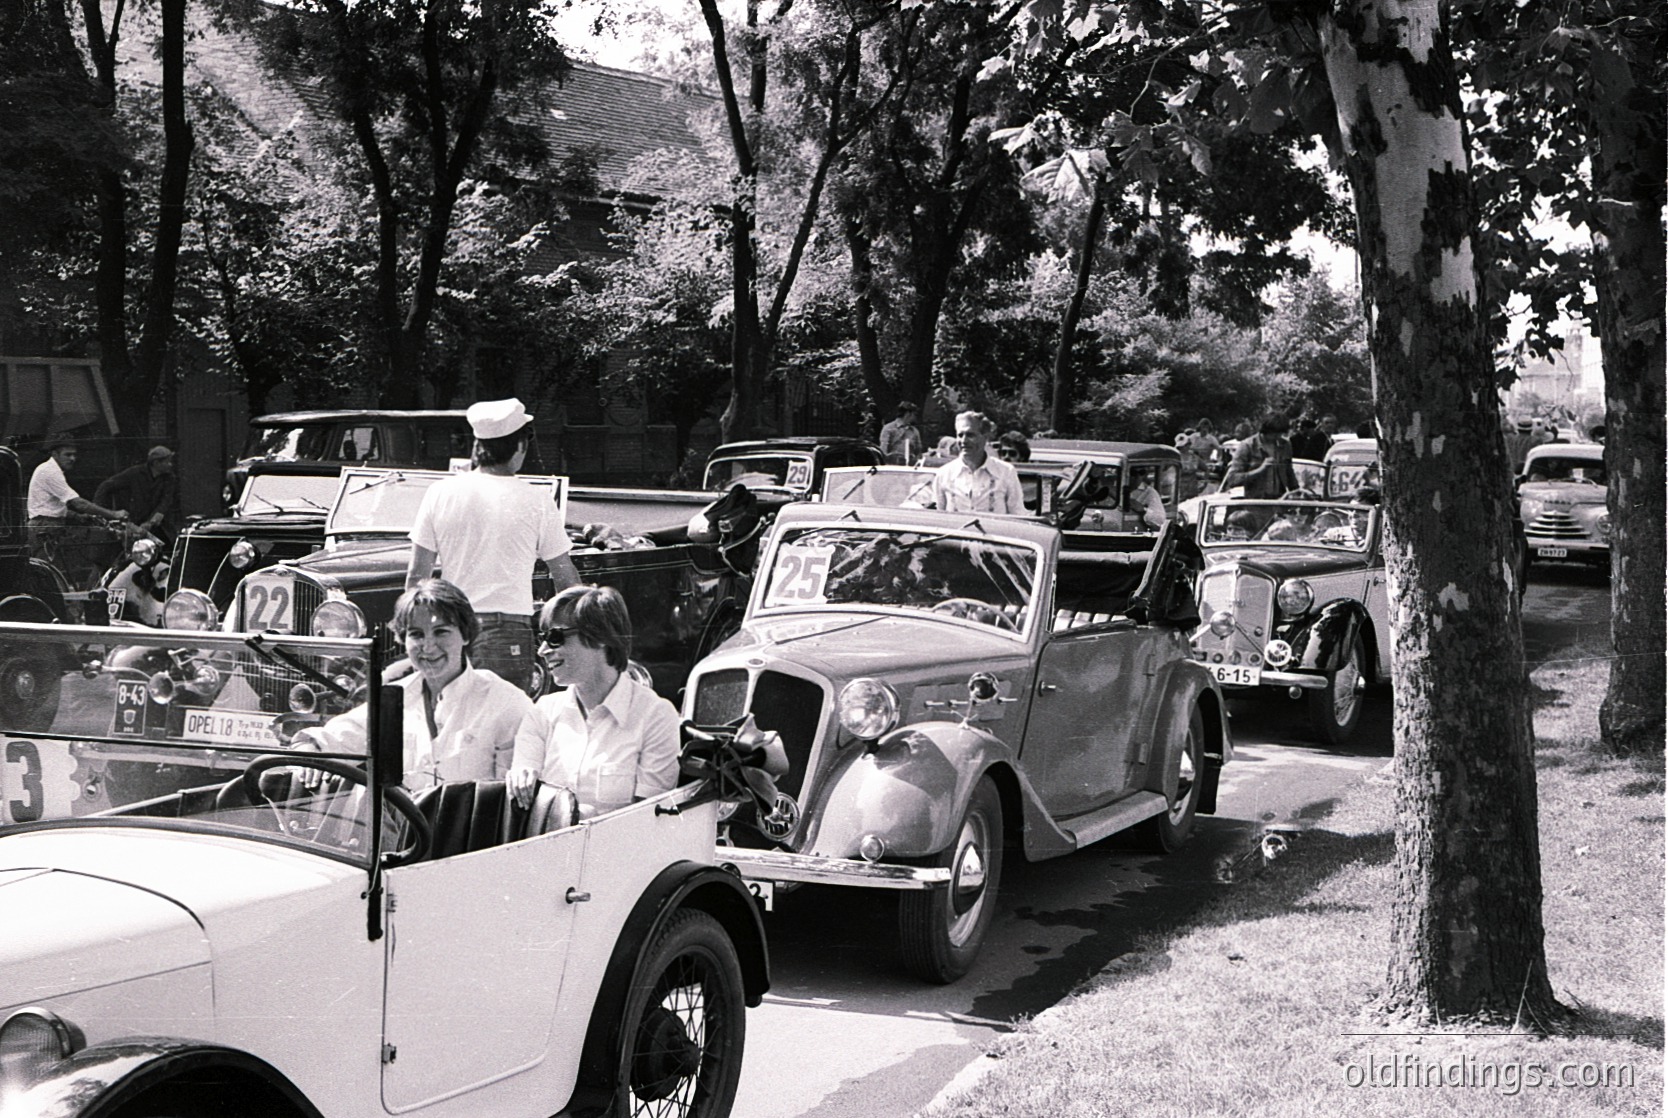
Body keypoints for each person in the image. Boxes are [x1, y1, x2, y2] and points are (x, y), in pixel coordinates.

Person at [407, 398, 581, 692]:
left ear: (477, 447)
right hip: (508, 631)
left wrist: (417, 636)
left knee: (448, 721)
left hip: (450, 628)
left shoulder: (439, 493)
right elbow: (566, 578)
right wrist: (581, 630)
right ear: (520, 447)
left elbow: (416, 576)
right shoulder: (536, 499)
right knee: (505, 728)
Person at [296, 579, 535, 793]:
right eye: (417, 635)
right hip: (404, 836)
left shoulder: (506, 702)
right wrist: (310, 749)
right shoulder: (395, 697)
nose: (429, 647)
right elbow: (334, 737)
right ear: (403, 639)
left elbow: (511, 803)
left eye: (441, 632)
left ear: (466, 635)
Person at [509, 585, 681, 818]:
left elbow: (647, 819)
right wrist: (521, 778)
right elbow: (522, 801)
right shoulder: (542, 714)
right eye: (543, 638)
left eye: (555, 637)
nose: (542, 650)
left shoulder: (655, 716)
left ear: (600, 637)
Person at [26, 432, 128, 570]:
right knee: (45, 572)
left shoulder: (51, 470)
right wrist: (114, 514)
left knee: (52, 569)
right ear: (55, 454)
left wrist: (79, 517)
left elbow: (51, 506)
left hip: (48, 525)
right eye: (68, 455)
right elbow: (79, 503)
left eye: (74, 454)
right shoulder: (50, 472)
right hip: (46, 527)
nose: (73, 458)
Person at [931, 410, 1026, 514]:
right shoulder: (944, 474)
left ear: (985, 437)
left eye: (970, 435)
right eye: (960, 435)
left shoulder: (1006, 472)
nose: (964, 441)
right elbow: (939, 516)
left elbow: (1017, 513)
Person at [94, 445, 179, 543]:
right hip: (134, 522)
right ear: (156, 463)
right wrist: (99, 510)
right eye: (167, 462)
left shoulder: (169, 478)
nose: (170, 465)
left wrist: (150, 522)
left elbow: (165, 502)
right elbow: (106, 486)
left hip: (158, 525)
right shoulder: (134, 473)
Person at [1222, 413, 1301, 498]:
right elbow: (1232, 479)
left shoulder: (1285, 445)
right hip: (1256, 503)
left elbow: (1289, 472)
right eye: (1275, 434)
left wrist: (1296, 492)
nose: (1278, 437)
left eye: (1280, 434)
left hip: (1280, 501)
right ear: (1266, 430)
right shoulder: (1247, 446)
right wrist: (1260, 470)